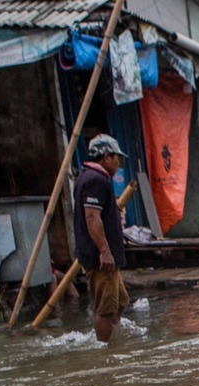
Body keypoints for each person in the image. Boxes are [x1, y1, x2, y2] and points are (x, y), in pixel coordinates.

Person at [74, 133, 130, 342]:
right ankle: (104, 349)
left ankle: (110, 336)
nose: (118, 163)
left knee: (120, 301)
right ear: (106, 157)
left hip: (106, 257)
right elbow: (91, 217)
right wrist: (105, 251)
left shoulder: (91, 178)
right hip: (99, 258)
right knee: (106, 308)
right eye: (116, 158)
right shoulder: (94, 180)